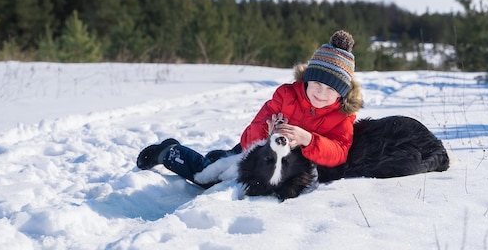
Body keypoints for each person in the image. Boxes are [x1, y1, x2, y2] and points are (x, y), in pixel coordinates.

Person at [136, 30, 364, 187]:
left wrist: (308, 139)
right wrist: (268, 134)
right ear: (307, 79)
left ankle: (218, 156)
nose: (320, 93)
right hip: (256, 152)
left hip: (284, 164)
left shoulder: (342, 117)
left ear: (341, 93)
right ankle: (169, 152)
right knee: (207, 178)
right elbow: (249, 135)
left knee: (221, 160)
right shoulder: (286, 96)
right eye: (315, 83)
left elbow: (339, 152)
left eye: (329, 89)